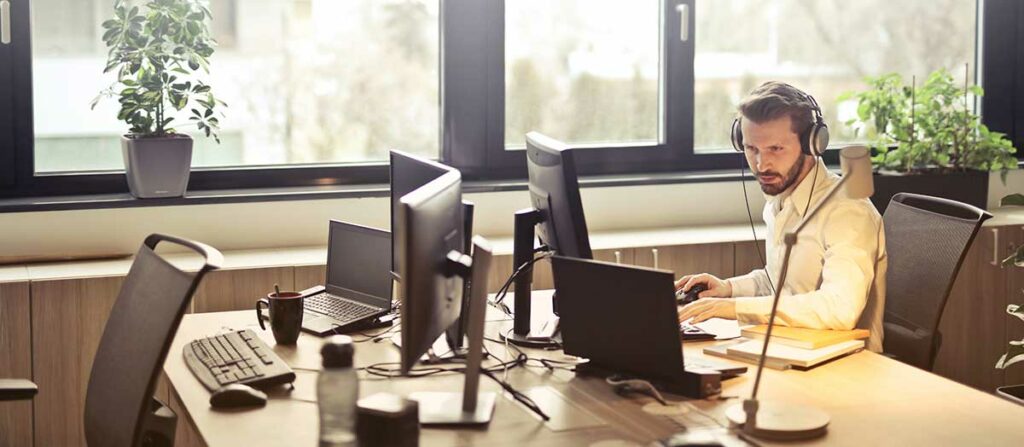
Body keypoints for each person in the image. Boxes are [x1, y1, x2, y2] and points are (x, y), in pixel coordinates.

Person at [677, 81, 887, 352]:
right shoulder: (780, 200)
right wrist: (728, 289)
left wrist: (735, 308)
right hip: (790, 348)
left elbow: (840, 309)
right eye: (752, 149)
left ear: (813, 144)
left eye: (775, 149)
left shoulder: (848, 211)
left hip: (846, 365)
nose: (761, 165)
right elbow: (781, 284)